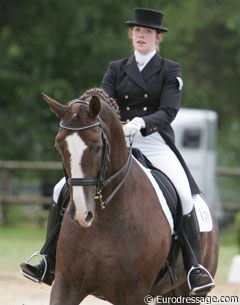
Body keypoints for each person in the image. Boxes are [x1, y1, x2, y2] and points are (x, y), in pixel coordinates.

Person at [20, 7, 215, 296]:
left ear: (157, 38)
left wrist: (141, 123)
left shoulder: (169, 69)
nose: (141, 36)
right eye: (137, 31)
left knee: (185, 195)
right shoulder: (116, 67)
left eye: (147, 32)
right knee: (61, 187)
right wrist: (105, 122)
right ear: (131, 35)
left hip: (154, 139)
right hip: (113, 138)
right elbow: (103, 101)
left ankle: (193, 267)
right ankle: (47, 258)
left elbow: (169, 110)